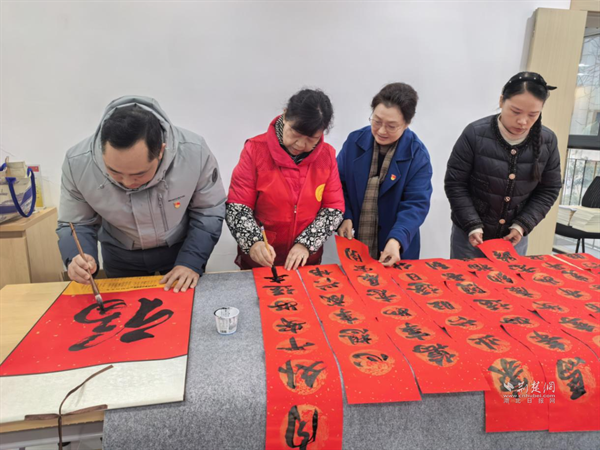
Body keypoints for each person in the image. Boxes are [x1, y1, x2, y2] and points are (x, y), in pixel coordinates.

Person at [57, 96, 226, 292]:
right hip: (120, 255)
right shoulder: (78, 163)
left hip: (181, 249)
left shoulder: (194, 153)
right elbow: (76, 222)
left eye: (139, 174)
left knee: (186, 307)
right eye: (115, 172)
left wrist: (191, 261)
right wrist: (78, 257)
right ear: (101, 152)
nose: (128, 183)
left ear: (161, 151)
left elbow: (208, 211)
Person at [444, 72, 562, 259]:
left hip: (514, 238)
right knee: (466, 278)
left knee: (510, 279)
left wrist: (522, 225)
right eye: (515, 111)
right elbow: (455, 183)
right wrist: (472, 223)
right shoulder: (475, 134)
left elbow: (549, 189)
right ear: (501, 101)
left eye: (533, 115)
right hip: (470, 236)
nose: (523, 121)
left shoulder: (547, 141)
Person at [226, 89, 344, 270]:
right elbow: (238, 206)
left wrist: (306, 244)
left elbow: (333, 208)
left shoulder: (326, 156)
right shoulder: (256, 150)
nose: (300, 144)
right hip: (262, 258)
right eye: (295, 133)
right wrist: (254, 242)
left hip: (304, 261)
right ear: (285, 115)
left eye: (311, 139)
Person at [337, 83, 433, 265]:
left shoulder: (417, 155)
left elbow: (415, 204)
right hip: (356, 242)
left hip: (395, 248)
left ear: (407, 124)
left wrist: (397, 239)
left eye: (391, 126)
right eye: (377, 121)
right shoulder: (354, 142)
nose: (381, 131)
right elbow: (338, 184)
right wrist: (345, 216)